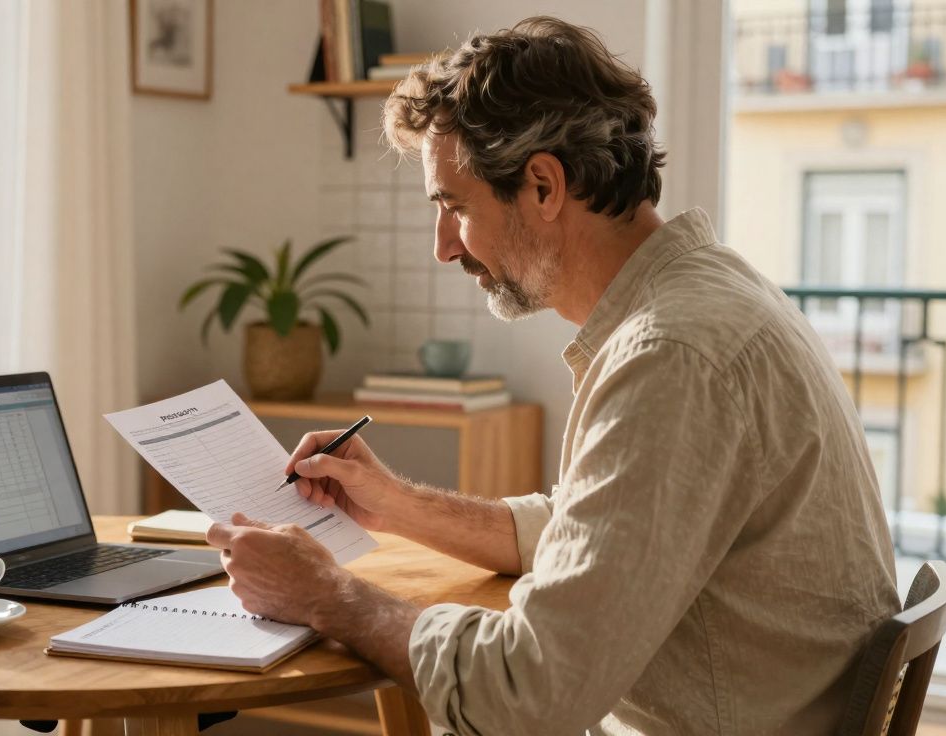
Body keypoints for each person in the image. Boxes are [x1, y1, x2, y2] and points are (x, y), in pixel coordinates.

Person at [204, 16, 900, 735]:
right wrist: (392, 502)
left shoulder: (672, 356)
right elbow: (588, 531)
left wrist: (328, 596)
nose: (444, 247)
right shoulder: (710, 296)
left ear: (542, 185)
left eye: (453, 206)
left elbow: (527, 694)